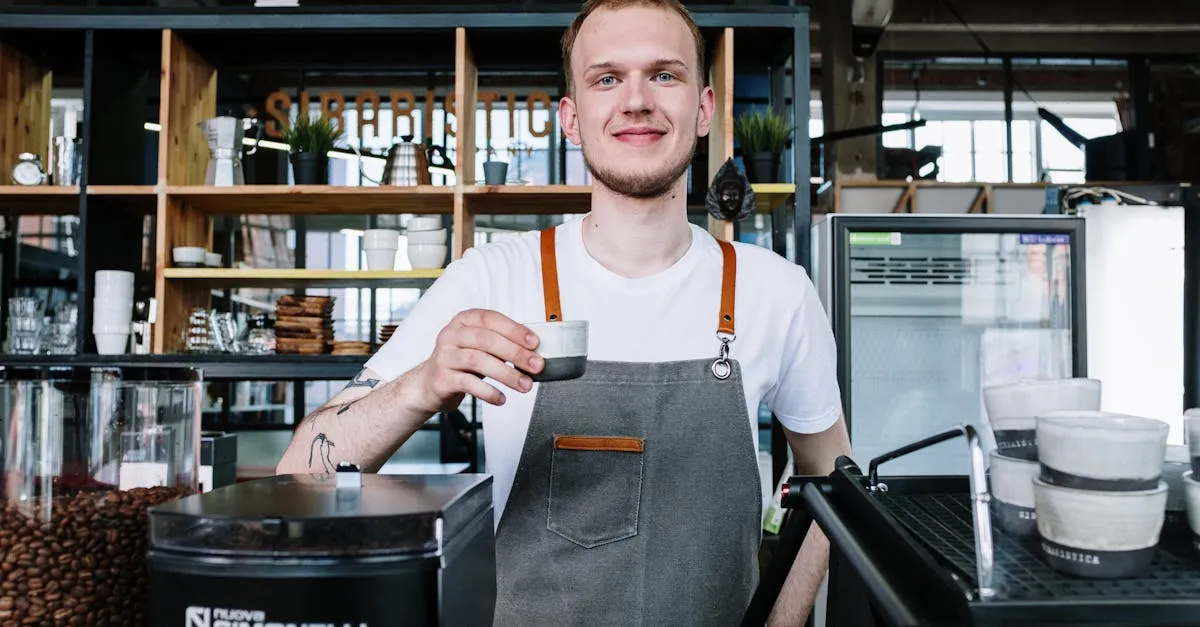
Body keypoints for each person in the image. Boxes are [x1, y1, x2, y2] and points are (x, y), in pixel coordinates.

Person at [275, 0, 852, 624]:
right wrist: (422, 385)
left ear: (705, 108)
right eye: (607, 78)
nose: (635, 100)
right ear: (572, 119)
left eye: (665, 74)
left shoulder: (777, 291)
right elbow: (299, 471)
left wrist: (784, 621)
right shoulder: (492, 277)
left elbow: (832, 487)